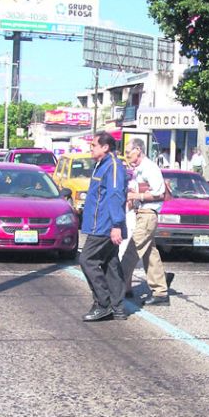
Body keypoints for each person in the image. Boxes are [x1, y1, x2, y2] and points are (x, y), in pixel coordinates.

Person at [79, 132, 129, 321]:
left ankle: (103, 303)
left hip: (105, 226)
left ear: (105, 147)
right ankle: (118, 308)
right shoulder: (100, 165)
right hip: (97, 224)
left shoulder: (113, 166)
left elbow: (115, 195)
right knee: (110, 264)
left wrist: (116, 225)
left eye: (93, 145)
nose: (91, 148)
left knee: (87, 260)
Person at [120, 138, 173, 306]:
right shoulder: (137, 169)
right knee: (150, 254)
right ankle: (160, 292)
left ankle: (116, 288)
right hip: (140, 213)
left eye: (129, 152)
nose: (127, 155)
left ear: (138, 150)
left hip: (148, 213)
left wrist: (136, 196)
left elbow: (159, 192)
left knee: (132, 250)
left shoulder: (149, 168)